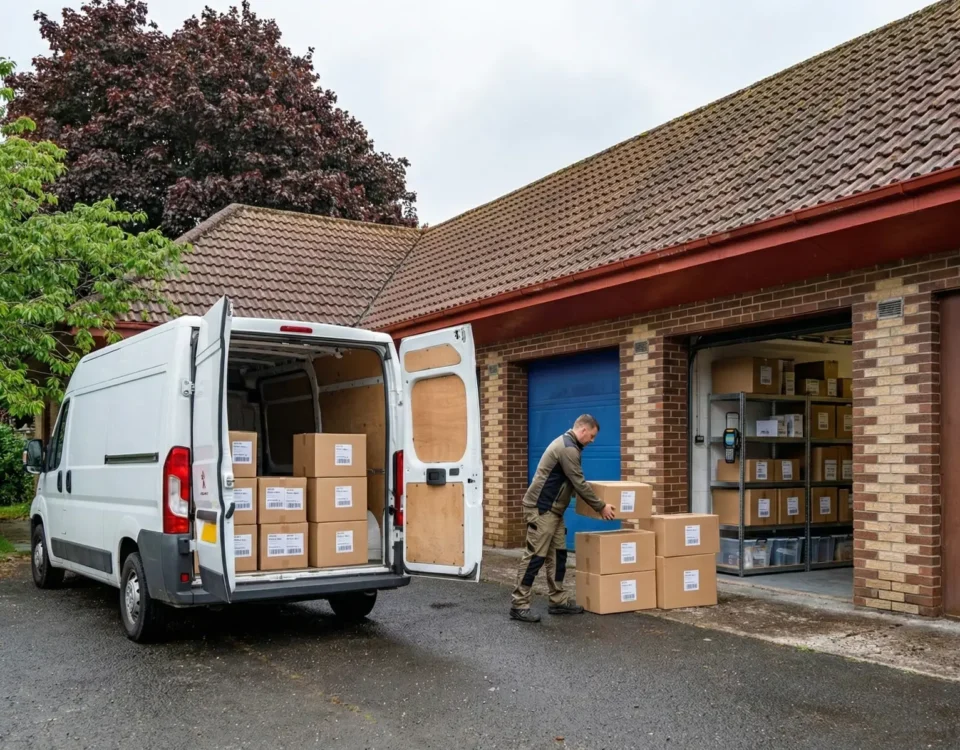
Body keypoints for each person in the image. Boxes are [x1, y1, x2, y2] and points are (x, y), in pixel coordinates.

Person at [510, 414, 616, 623]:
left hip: (554, 511)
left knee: (558, 556)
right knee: (535, 557)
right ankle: (519, 604)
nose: (592, 441)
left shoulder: (571, 446)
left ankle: (558, 601)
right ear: (583, 430)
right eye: (592, 436)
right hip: (541, 510)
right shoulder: (568, 448)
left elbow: (572, 483)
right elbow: (578, 482)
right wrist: (601, 507)